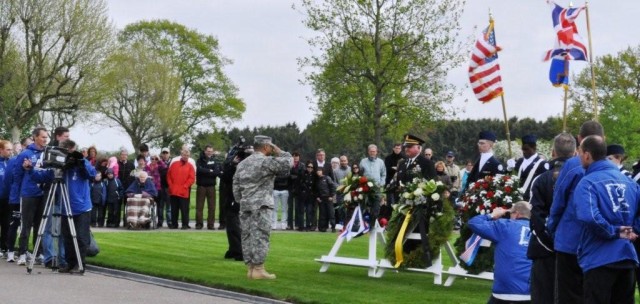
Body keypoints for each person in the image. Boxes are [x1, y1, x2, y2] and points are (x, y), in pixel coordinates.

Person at [573, 135, 640, 304]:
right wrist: (633, 231)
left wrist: (614, 232)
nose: (579, 156)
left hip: (599, 257)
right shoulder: (630, 182)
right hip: (626, 256)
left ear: (587, 155)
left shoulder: (587, 182)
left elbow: (589, 217)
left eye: (579, 152)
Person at [547, 120, 604, 304]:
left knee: (568, 295)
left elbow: (559, 201)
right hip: (598, 241)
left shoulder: (572, 165)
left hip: (570, 238)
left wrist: (552, 227)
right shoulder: (610, 168)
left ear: (579, 139)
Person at [28, 139, 96, 274]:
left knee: (81, 238)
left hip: (81, 207)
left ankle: (80, 264)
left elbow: (92, 174)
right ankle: (69, 264)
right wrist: (30, 169)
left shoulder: (81, 163)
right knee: (67, 237)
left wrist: (81, 161)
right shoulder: (58, 167)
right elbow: (42, 176)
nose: (68, 155)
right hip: (65, 206)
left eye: (70, 151)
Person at [233, 135, 292, 279]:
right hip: (262, 205)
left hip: (246, 205)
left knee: (247, 236)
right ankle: (258, 269)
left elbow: (236, 185)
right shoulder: (266, 162)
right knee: (261, 236)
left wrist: (242, 200)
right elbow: (288, 163)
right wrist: (279, 151)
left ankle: (251, 269)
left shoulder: (242, 164)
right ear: (266, 147)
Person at [527, 132, 575, 304]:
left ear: (553, 152)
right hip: (571, 249)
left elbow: (536, 218)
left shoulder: (541, 179)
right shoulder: (582, 177)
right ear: (575, 153)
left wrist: (550, 244)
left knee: (543, 297)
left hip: (546, 249)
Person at [468, 201, 532, 303]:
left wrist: (492, 215)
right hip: (531, 291)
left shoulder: (504, 225)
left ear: (517, 214)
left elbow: (474, 223)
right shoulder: (539, 230)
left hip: (505, 291)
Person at [13, 127, 49, 265]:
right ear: (35, 137)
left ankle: (38, 253)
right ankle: (22, 253)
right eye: (43, 137)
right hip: (29, 193)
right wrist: (16, 195)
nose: (45, 139)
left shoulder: (48, 153)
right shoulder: (26, 153)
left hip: (43, 193)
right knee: (26, 225)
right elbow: (17, 175)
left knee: (40, 226)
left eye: (46, 137)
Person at [221, 145, 253, 261]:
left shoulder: (245, 167)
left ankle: (240, 251)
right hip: (232, 196)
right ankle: (234, 249)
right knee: (230, 224)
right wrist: (231, 164)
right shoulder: (238, 165)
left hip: (237, 197)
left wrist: (232, 164)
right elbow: (225, 177)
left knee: (235, 225)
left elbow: (227, 177)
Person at [508, 135, 547, 201]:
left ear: (534, 148)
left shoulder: (542, 164)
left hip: (533, 200)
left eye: (526, 149)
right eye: (522, 149)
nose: (524, 151)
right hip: (518, 199)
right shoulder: (520, 161)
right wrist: (509, 169)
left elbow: (544, 185)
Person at [167, 148, 196, 229]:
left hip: (184, 191)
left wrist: (185, 186)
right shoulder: (174, 164)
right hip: (174, 190)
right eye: (184, 155)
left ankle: (185, 224)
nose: (186, 156)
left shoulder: (190, 166)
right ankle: (174, 224)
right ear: (181, 155)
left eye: (187, 155)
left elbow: (192, 178)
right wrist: (171, 185)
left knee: (184, 209)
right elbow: (169, 176)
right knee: (174, 209)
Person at [195, 145, 221, 230]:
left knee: (212, 207)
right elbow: (199, 170)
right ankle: (199, 224)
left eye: (211, 151)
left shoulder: (214, 161)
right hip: (201, 186)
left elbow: (216, 172)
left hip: (211, 186)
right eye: (208, 151)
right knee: (199, 207)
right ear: (205, 151)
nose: (209, 153)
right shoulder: (199, 160)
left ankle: (211, 225)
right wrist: (210, 170)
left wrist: (206, 170)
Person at [0, 140, 13, 258]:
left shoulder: (10, 163)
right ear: (1, 150)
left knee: (6, 223)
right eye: (8, 149)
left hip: (7, 198)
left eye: (11, 149)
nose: (10, 152)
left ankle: (3, 246)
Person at [117, 149, 135, 227]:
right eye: (122, 154)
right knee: (117, 205)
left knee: (127, 206)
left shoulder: (131, 165)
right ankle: (116, 222)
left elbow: (133, 177)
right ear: (120, 155)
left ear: (127, 156)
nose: (124, 156)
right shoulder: (117, 164)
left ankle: (126, 222)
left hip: (128, 188)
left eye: (125, 155)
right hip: (119, 188)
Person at [316, 167, 336, 233]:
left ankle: (333, 227)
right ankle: (323, 227)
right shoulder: (317, 180)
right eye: (317, 171)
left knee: (331, 213)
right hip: (321, 199)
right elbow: (317, 190)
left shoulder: (327, 178)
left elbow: (332, 186)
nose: (318, 172)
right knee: (323, 214)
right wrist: (317, 197)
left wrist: (331, 195)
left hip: (328, 198)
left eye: (319, 170)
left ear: (322, 171)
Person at [287, 152, 304, 230]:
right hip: (290, 188)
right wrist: (294, 176)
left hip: (298, 189)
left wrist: (293, 176)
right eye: (294, 156)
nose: (295, 158)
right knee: (290, 207)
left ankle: (297, 224)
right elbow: (286, 175)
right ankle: (290, 225)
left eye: (297, 156)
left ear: (299, 157)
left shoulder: (302, 165)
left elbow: (302, 176)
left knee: (297, 207)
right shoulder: (289, 165)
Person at [299, 161, 316, 231]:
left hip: (310, 196)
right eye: (308, 167)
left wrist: (314, 194)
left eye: (311, 167)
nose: (310, 168)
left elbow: (315, 186)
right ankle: (301, 226)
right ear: (306, 167)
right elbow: (298, 184)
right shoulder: (302, 174)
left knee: (309, 211)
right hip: (303, 195)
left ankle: (308, 226)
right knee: (301, 211)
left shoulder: (314, 176)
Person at [158, 147, 172, 227]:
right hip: (160, 186)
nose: (165, 154)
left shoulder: (172, 162)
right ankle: (160, 221)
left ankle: (169, 222)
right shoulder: (158, 163)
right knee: (160, 206)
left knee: (168, 207)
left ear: (169, 154)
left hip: (169, 187)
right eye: (164, 153)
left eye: (166, 153)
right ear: (161, 154)